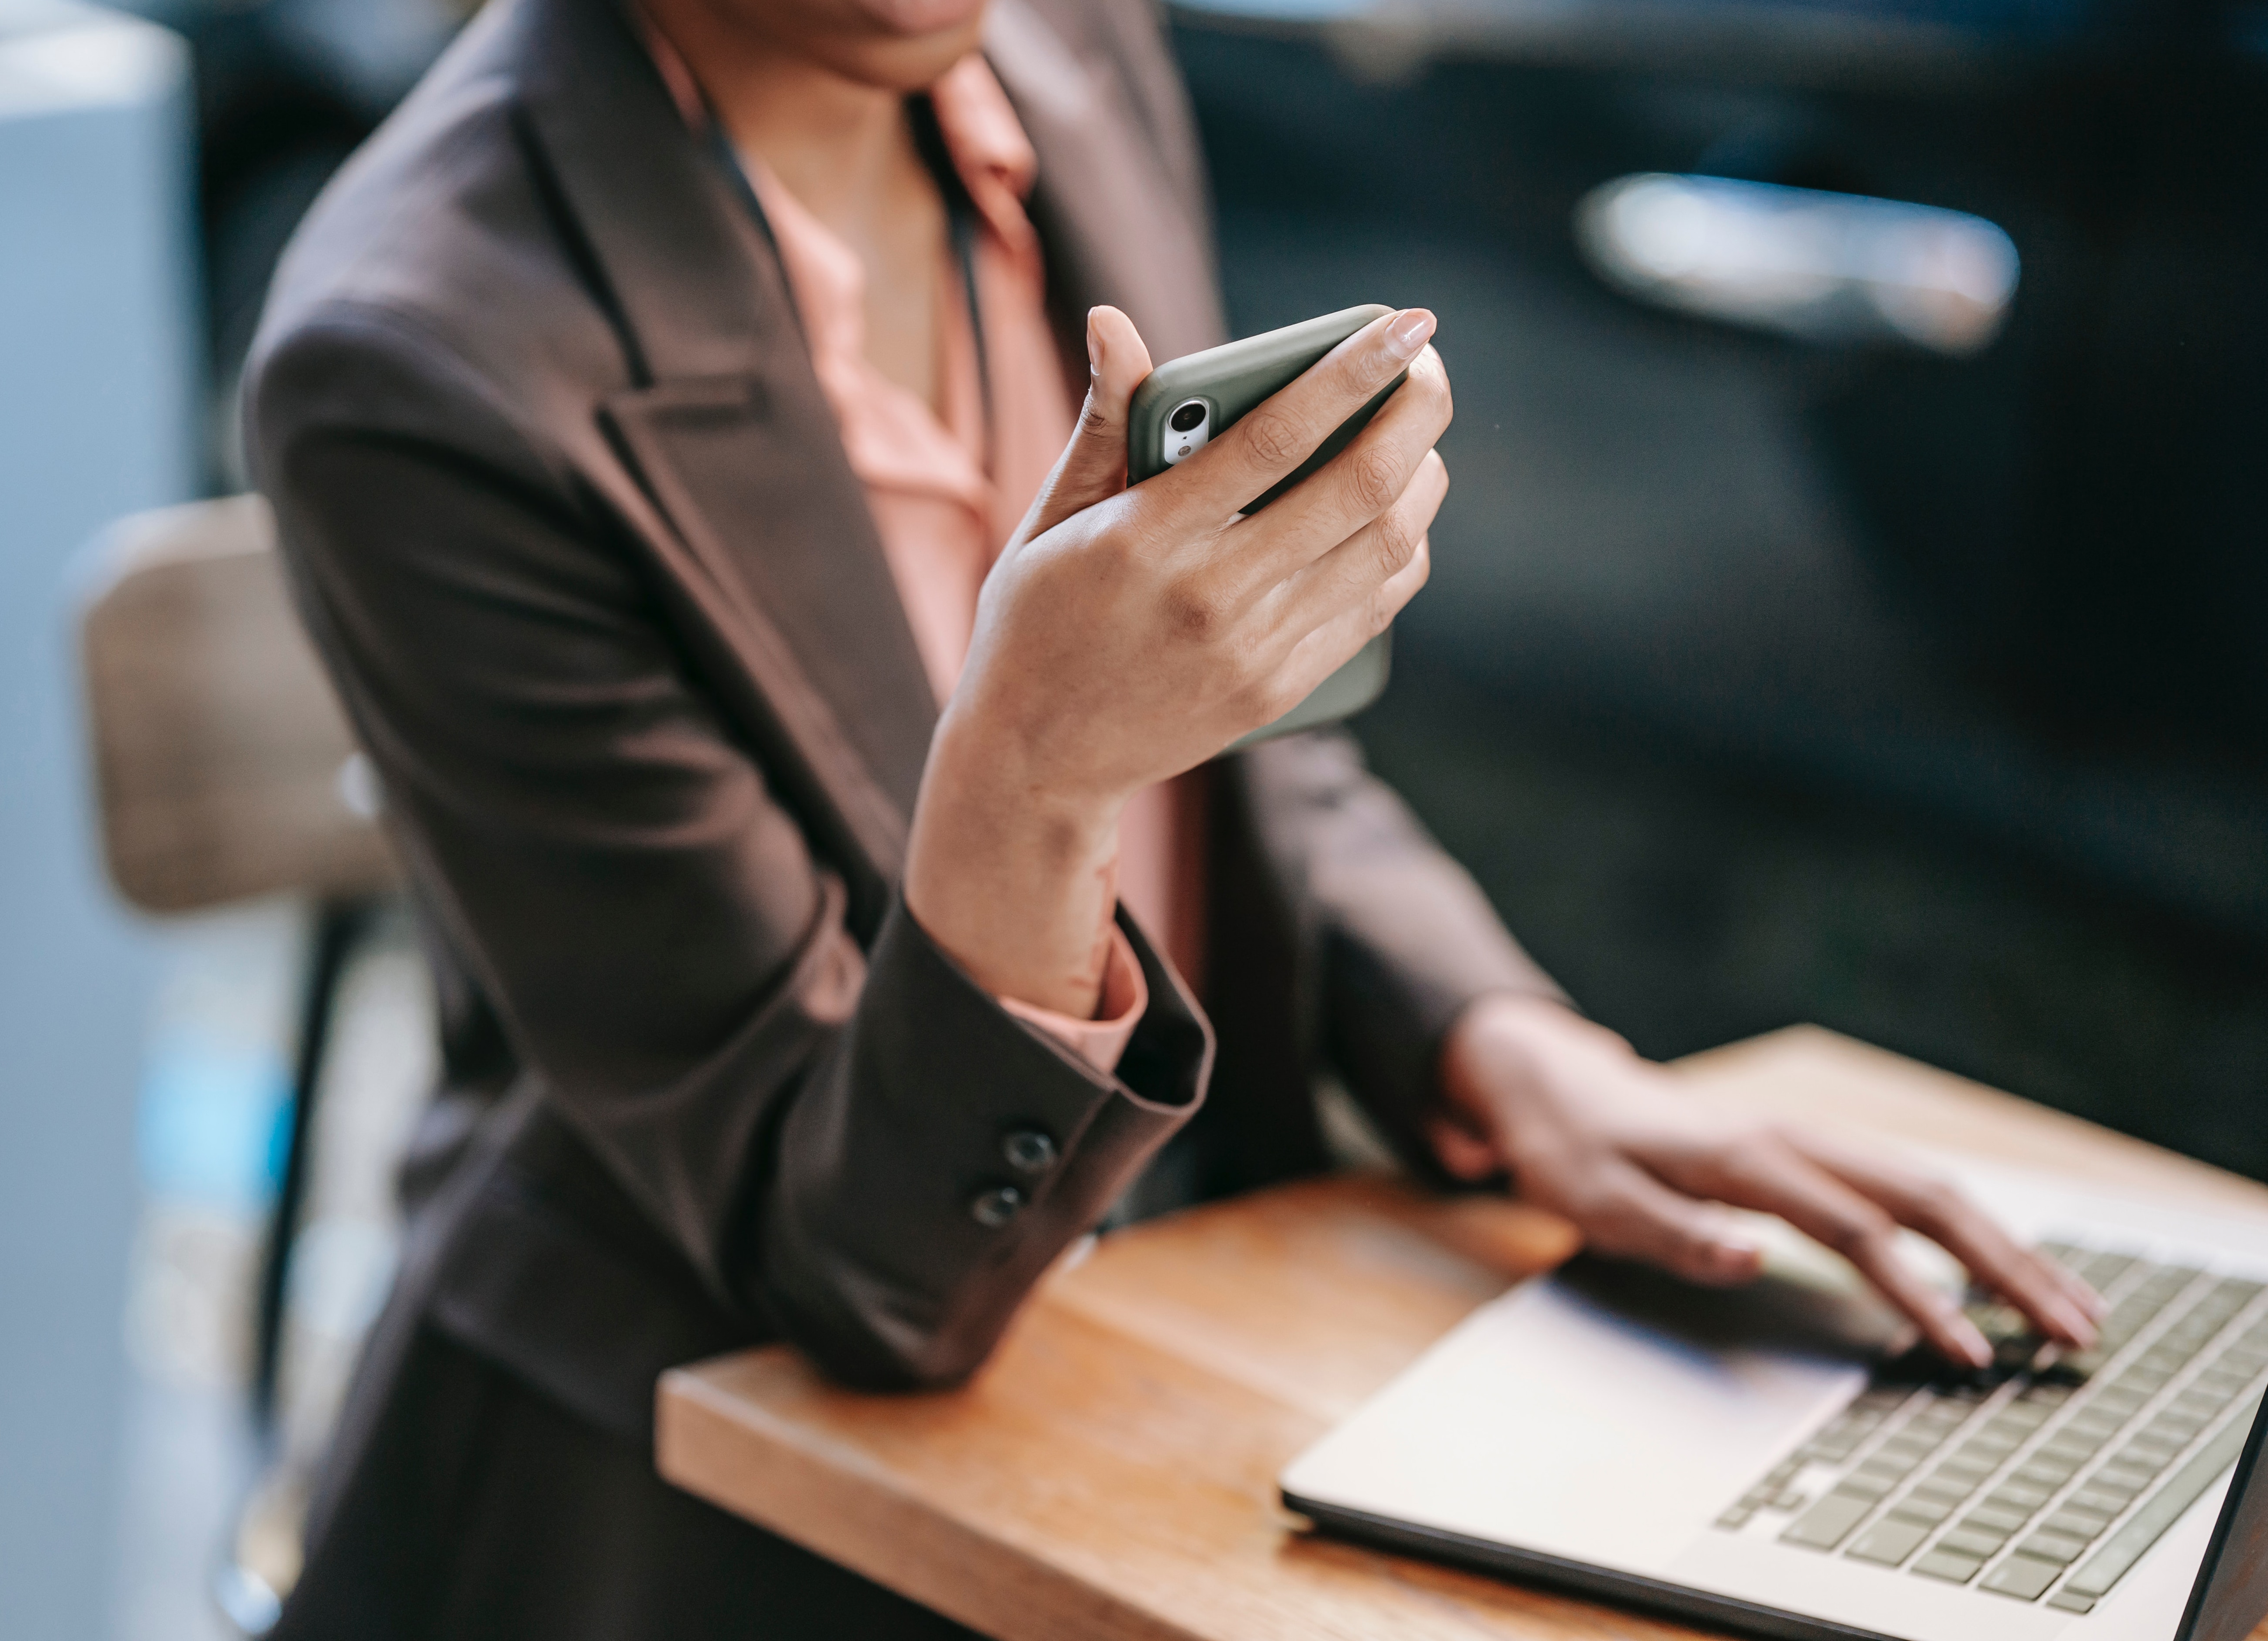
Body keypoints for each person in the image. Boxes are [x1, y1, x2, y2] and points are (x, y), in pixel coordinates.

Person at [244, 0, 2105, 1634]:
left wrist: (1516, 1046)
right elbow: (857, 1277)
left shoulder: (1062, 46)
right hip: (701, 1472)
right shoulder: (415, 358)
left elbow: (1250, 760)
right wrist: (1030, 787)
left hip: (1174, 1309)